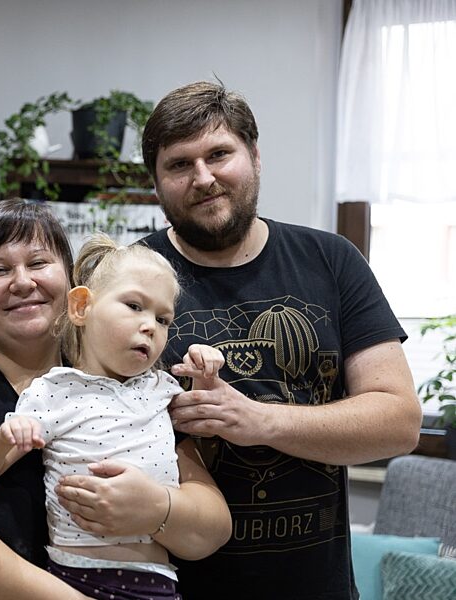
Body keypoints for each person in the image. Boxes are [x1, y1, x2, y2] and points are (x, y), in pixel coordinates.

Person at [57, 81, 422, 600]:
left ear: (254, 155)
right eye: (179, 165)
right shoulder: (127, 284)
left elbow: (399, 423)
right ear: (156, 184)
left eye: (218, 154)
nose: (203, 177)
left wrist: (259, 421)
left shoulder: (332, 260)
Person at [0, 198, 232, 599]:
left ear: (74, 286)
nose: (22, 282)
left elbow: (212, 527)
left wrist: (158, 509)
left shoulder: (129, 383)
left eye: (39, 263)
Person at [0, 233, 229, 600]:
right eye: (134, 305)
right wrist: (6, 435)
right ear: (81, 307)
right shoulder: (54, 391)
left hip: (158, 584)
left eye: (163, 318)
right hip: (74, 578)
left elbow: (205, 426)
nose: (150, 326)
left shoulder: (160, 388)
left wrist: (206, 374)